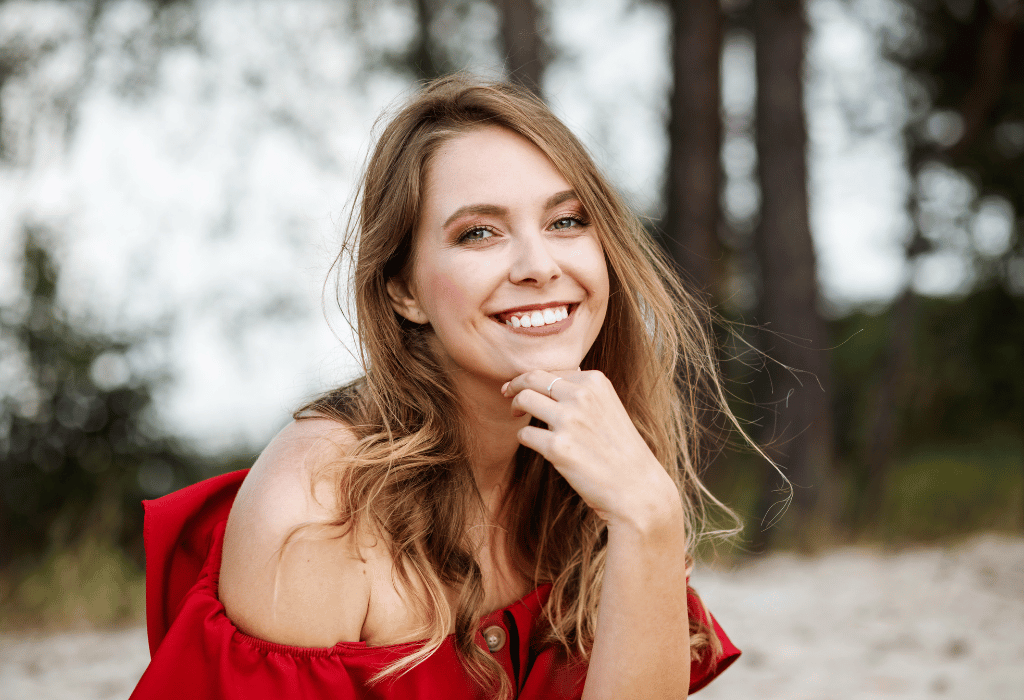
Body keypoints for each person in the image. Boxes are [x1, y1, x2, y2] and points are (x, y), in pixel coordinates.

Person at [130, 74, 742, 700]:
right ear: (404, 290)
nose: (539, 266)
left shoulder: (598, 460)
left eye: (566, 221)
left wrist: (650, 517)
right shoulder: (317, 512)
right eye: (479, 232)